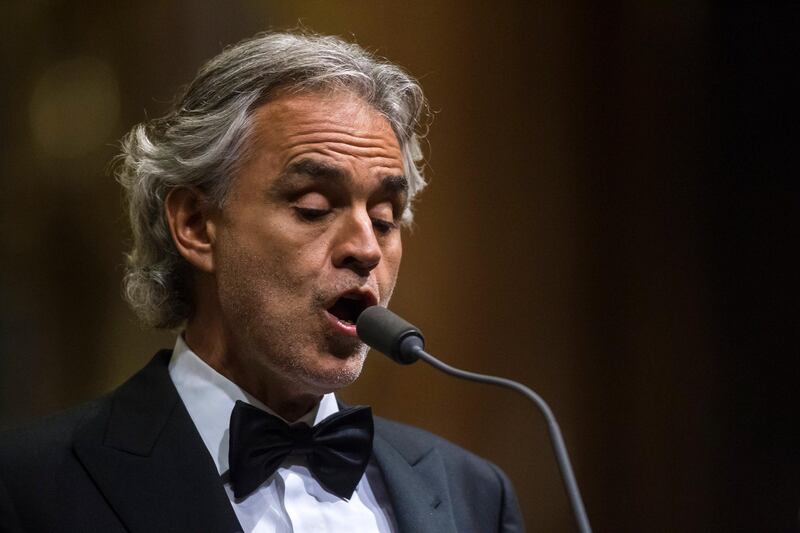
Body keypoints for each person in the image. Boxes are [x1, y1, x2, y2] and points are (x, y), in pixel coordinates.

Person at [0, 32, 524, 533]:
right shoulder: (29, 486)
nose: (366, 248)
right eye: (314, 207)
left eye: (386, 217)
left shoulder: (473, 494)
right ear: (196, 225)